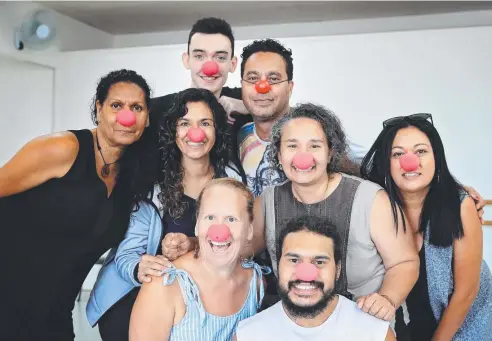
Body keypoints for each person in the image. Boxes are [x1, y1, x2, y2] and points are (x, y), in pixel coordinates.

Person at [0, 69, 156, 341]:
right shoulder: (63, 148)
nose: (126, 116)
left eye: (137, 107)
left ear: (147, 117)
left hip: (54, 317)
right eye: (116, 105)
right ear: (99, 108)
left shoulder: (131, 176)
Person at [87, 88, 246, 341]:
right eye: (185, 123)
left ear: (216, 130)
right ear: (174, 131)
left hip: (201, 304)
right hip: (137, 296)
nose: (195, 133)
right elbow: (128, 253)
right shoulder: (151, 181)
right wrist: (141, 265)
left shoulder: (233, 181)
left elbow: (245, 246)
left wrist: (193, 245)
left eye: (205, 123)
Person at [251, 103, 419, 321]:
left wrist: (387, 299)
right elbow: (239, 250)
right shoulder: (268, 201)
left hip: (365, 324)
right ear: (279, 154)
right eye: (292, 146)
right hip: (301, 326)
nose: (303, 157)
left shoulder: (370, 199)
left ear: (330, 152)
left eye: (315, 146)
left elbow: (404, 262)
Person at [361, 113, 492, 340]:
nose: (410, 161)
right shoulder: (375, 208)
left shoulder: (461, 207)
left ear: (436, 158)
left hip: (463, 332)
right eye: (398, 154)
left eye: (421, 151)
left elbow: (466, 292)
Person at [129, 178, 269, 341]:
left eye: (231, 219)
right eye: (210, 217)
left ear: (250, 230)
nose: (219, 230)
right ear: (197, 225)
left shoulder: (256, 283)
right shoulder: (164, 286)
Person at [235, 215, 396, 341]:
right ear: (278, 266)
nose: (306, 273)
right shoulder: (248, 335)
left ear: (337, 270)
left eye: (319, 261)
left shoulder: (375, 333)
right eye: (294, 260)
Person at [237, 39, 365, 196]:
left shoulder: (318, 130)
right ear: (242, 85)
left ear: (289, 88)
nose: (262, 87)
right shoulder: (237, 137)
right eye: (252, 78)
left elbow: (371, 161)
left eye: (274, 79)